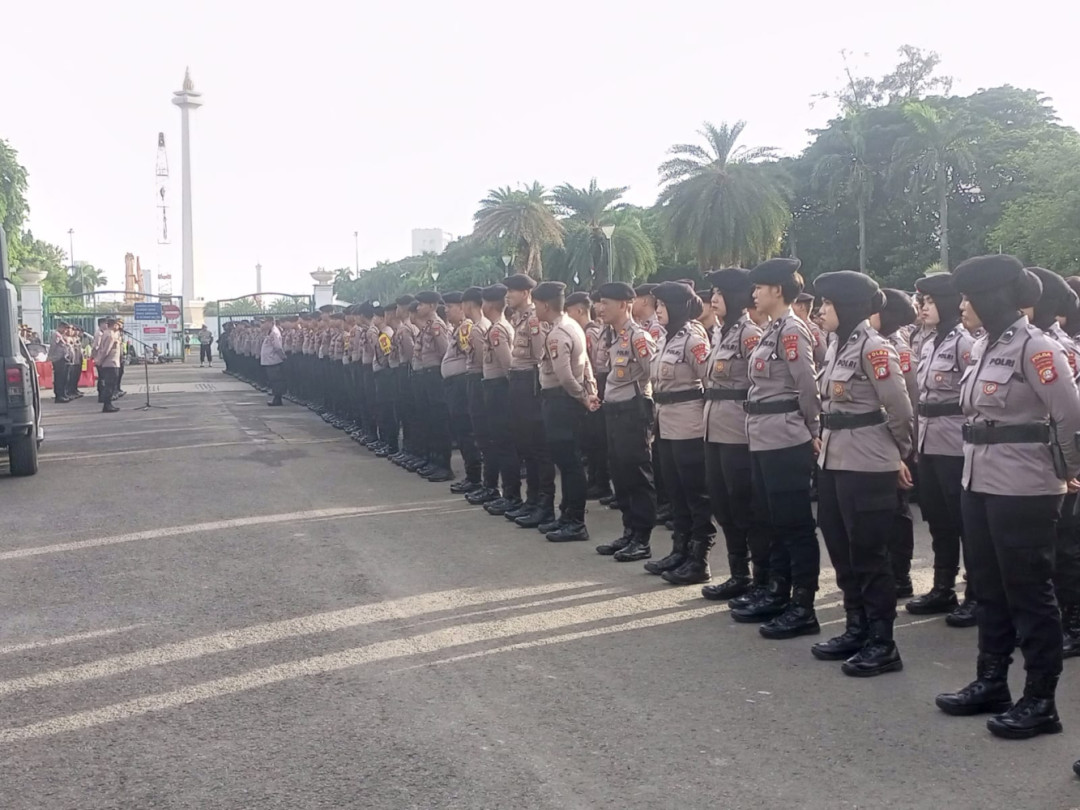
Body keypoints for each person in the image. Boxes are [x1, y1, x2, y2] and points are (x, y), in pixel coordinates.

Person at [935, 254, 1080, 741]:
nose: (963, 305)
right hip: (979, 482)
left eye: (969, 296)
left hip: (1025, 487)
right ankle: (992, 681)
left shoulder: (1036, 348)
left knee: (1030, 592)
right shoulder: (983, 347)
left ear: (994, 298)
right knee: (989, 587)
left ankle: (1040, 700)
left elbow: (1069, 415)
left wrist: (1070, 472)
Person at [809, 271, 914, 677]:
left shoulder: (875, 349)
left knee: (870, 553)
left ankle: (883, 642)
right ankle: (856, 627)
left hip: (868, 463)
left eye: (829, 304)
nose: (821, 311)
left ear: (849, 306)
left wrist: (896, 452)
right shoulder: (837, 346)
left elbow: (901, 410)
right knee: (840, 546)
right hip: (835, 461)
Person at [731, 258, 822, 641]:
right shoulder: (771, 331)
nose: (754, 294)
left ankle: (803, 605)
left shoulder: (792, 331)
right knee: (771, 520)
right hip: (764, 435)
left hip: (786, 437)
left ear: (778, 291)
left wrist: (814, 429)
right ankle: (778, 592)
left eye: (760, 287)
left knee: (795, 524)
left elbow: (807, 386)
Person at [907, 272, 977, 625]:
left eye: (931, 301)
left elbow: (974, 399)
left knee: (965, 521)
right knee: (937, 518)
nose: (923, 307)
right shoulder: (929, 342)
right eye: (922, 301)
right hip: (930, 442)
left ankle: (976, 592)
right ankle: (942, 586)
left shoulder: (965, 343)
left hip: (955, 444)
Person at [700, 268, 769, 602]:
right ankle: (737, 572)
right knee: (723, 504)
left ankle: (760, 577)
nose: (714, 299)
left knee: (745, 506)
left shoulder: (749, 334)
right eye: (713, 292)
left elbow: (759, 384)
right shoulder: (719, 333)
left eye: (720, 292)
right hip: (714, 429)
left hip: (738, 433)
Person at [644, 281, 716, 585]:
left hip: (689, 423)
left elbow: (709, 381)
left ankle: (699, 558)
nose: (657, 310)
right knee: (675, 490)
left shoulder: (692, 337)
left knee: (695, 492)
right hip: (666, 422)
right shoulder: (665, 337)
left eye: (661, 305)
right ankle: (680, 550)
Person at [1026, 266, 1080, 658]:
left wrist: (1072, 466)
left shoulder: (1057, 348)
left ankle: (1074, 625)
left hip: (1064, 458)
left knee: (1066, 546)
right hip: (1036, 460)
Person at [593, 281, 659, 561]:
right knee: (619, 474)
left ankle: (642, 539)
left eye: (605, 302)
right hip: (614, 412)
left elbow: (653, 374)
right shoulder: (612, 336)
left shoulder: (638, 337)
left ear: (624, 305)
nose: (600, 307)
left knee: (637, 475)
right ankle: (629, 531)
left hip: (633, 413)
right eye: (599, 302)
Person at [531, 282, 598, 542]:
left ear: (545, 305)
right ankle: (567, 516)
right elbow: (586, 364)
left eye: (536, 304)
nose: (535, 309)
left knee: (569, 464)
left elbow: (566, 376)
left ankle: (575, 521)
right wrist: (589, 391)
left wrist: (582, 397)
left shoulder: (559, 333)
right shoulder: (573, 327)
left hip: (561, 402)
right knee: (569, 463)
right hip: (567, 401)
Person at [871, 289, 920, 600]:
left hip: (896, 441)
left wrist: (902, 452)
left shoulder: (897, 349)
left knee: (897, 511)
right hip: (879, 440)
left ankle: (900, 575)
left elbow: (906, 403)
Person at [502, 273, 557, 527]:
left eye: (512, 291)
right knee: (527, 447)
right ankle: (532, 500)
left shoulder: (535, 319)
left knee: (538, 448)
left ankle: (543, 505)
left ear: (526, 293)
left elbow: (539, 358)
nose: (508, 295)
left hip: (531, 385)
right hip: (519, 384)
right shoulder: (518, 318)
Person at [479, 284, 524, 514]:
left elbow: (508, 366)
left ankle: (512, 495)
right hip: (495, 388)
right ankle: (508, 493)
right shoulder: (499, 327)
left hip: (499, 390)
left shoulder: (497, 330)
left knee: (505, 444)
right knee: (500, 443)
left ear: (489, 304)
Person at [460, 286, 499, 503]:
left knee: (485, 437)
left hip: (479, 381)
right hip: (479, 381)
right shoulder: (482, 326)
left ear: (469, 304)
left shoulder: (478, 329)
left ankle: (489, 486)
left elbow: (482, 361)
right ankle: (487, 484)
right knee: (483, 437)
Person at [442, 291, 482, 491]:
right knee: (462, 430)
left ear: (461, 307)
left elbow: (471, 355)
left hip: (461, 384)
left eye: (450, 307)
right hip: (455, 384)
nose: (446, 311)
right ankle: (471, 475)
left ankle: (474, 477)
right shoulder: (457, 328)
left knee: (466, 431)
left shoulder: (465, 328)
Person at [414, 290, 454, 482]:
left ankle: (444, 466)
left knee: (439, 421)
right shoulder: (427, 327)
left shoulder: (437, 326)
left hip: (435, 376)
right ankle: (434, 461)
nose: (418, 307)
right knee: (429, 420)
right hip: (426, 376)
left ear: (431, 306)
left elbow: (445, 351)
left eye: (421, 304)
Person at [94, 318, 122, 413]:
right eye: (117, 324)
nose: (119, 326)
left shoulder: (108, 333)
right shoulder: (110, 335)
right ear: (113, 325)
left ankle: (108, 404)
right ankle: (107, 405)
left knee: (110, 384)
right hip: (111, 363)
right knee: (110, 384)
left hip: (112, 362)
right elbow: (106, 350)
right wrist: (100, 360)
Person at [260, 317, 287, 406]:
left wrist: (283, 357)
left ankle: (277, 399)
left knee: (276, 381)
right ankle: (276, 397)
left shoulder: (274, 333)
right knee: (273, 380)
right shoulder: (270, 332)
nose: (263, 324)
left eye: (265, 322)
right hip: (269, 361)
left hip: (274, 361)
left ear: (271, 322)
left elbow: (278, 347)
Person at [47, 322, 74, 403]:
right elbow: (53, 346)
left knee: (65, 378)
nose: (66, 330)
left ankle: (63, 394)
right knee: (60, 378)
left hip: (64, 359)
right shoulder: (56, 335)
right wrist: (51, 357)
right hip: (59, 359)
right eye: (65, 328)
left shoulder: (61, 335)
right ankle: (59, 396)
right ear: (60, 327)